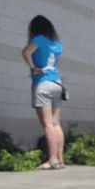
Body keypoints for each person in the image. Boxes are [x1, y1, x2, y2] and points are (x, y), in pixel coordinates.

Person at [22, 15, 64, 170]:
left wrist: (33, 67)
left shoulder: (38, 39)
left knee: (47, 124)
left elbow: (26, 52)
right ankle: (60, 159)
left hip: (43, 83)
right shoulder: (57, 44)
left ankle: (52, 159)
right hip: (57, 83)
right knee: (56, 123)